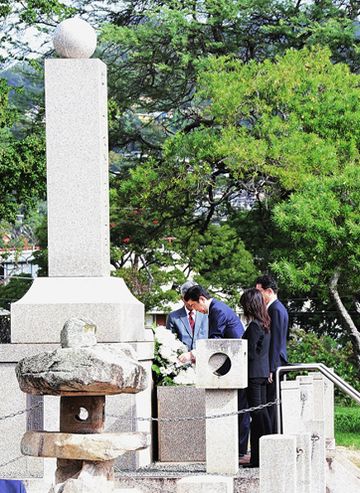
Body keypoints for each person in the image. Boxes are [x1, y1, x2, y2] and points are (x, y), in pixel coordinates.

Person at [183, 285, 250, 457]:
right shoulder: (217, 308)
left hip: (236, 363)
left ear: (202, 299)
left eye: (194, 306)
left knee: (241, 408)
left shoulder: (217, 310)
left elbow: (215, 340)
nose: (196, 310)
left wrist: (192, 354)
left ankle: (240, 450)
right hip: (232, 362)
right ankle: (238, 449)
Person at [240, 288, 272, 468]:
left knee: (257, 416)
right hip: (262, 372)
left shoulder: (253, 326)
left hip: (252, 374)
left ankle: (258, 458)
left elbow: (250, 353)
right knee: (262, 414)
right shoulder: (265, 322)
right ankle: (263, 455)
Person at [255, 274, 289, 433]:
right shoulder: (276, 308)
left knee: (272, 405)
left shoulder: (275, 309)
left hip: (274, 363)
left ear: (268, 291)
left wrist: (272, 368)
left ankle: (273, 439)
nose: (257, 296)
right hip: (274, 362)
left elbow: (275, 341)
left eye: (259, 291)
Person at [166, 281, 208, 352]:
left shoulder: (206, 315)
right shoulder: (173, 317)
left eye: (193, 297)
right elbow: (170, 342)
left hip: (203, 356)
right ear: (182, 298)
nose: (190, 301)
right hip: (182, 359)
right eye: (187, 298)